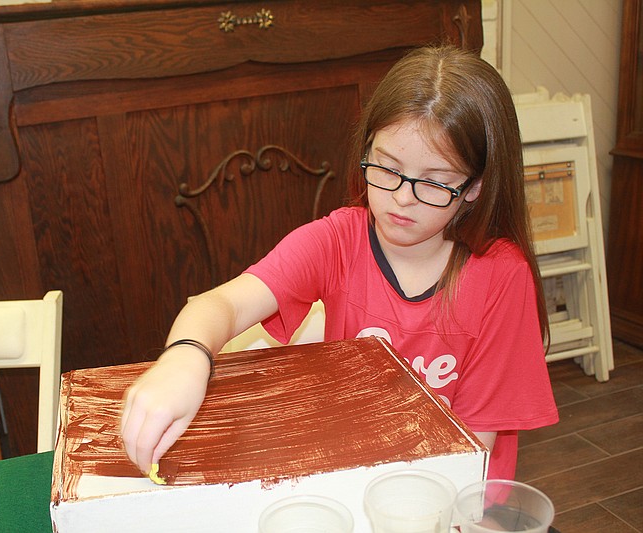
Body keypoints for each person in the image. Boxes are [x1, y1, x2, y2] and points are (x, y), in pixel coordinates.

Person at [121, 44, 559, 481]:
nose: (402, 198)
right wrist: (185, 358)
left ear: (476, 186)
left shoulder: (502, 275)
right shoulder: (339, 240)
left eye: (433, 182)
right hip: (355, 473)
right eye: (387, 169)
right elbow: (220, 305)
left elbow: (472, 453)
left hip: (456, 493)